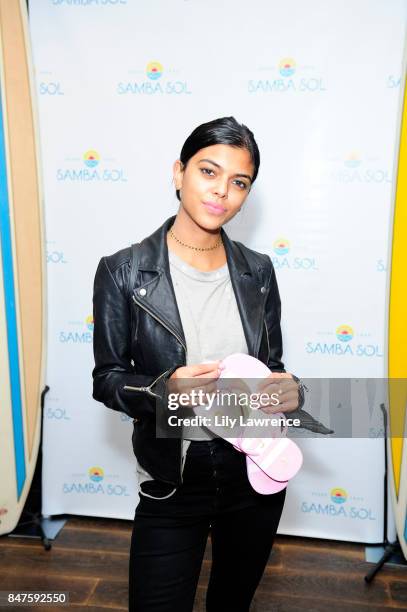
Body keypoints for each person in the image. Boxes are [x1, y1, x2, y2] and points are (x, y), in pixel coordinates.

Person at [92, 116, 304, 612]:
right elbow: (108, 380)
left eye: (239, 182)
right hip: (175, 477)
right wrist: (165, 389)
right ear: (179, 172)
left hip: (254, 471)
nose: (222, 192)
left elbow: (270, 369)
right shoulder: (123, 270)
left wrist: (292, 389)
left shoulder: (258, 271)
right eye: (209, 171)